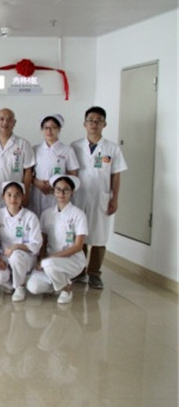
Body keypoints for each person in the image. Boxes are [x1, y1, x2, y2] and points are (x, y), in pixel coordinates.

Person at [71, 107, 128, 290]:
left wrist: (115, 198)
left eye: (98, 121)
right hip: (79, 196)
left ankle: (94, 273)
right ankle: (79, 271)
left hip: (101, 197)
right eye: (91, 120)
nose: (94, 124)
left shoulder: (112, 148)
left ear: (105, 124)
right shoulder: (75, 146)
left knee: (99, 235)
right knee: (79, 234)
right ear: (84, 123)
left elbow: (116, 175)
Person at [27, 175, 87, 304]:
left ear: (72, 192)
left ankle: (66, 289)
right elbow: (43, 241)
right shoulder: (46, 214)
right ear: (53, 191)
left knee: (49, 264)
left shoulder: (78, 214)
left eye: (66, 190)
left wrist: (51, 258)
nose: (61, 193)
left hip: (72, 260)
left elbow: (78, 246)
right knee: (33, 287)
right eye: (58, 189)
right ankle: (59, 283)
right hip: (50, 260)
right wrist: (41, 259)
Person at [0, 181, 42, 302]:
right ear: (3, 197)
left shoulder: (30, 217)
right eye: (9, 195)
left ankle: (20, 287)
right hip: (4, 256)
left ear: (22, 197)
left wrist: (16, 246)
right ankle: (13, 284)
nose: (13, 199)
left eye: (17, 195)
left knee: (16, 256)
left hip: (26, 256)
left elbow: (36, 244)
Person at [0, 108, 35, 211]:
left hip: (14, 196)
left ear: (14, 123)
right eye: (1, 119)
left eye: (9, 120)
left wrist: (26, 193)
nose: (5, 123)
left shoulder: (23, 144)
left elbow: (28, 171)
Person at [31, 114, 79, 217]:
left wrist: (57, 186)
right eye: (46, 128)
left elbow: (73, 174)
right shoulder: (35, 149)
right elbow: (28, 172)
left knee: (56, 219)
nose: (49, 131)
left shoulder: (67, 150)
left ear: (59, 129)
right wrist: (38, 183)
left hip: (58, 193)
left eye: (53, 127)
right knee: (38, 218)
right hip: (38, 191)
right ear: (42, 129)